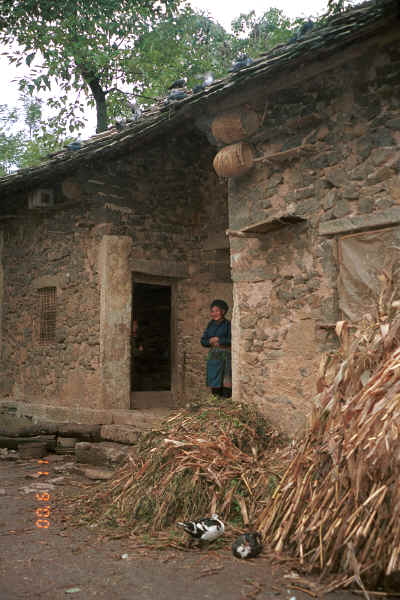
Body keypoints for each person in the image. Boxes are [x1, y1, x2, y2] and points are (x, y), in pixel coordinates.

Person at [200, 299, 232, 398]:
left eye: (217, 311)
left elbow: (233, 339)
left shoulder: (228, 325)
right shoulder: (210, 325)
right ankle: (216, 403)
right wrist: (209, 341)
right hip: (214, 356)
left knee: (226, 381)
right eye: (212, 311)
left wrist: (219, 339)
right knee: (214, 381)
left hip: (226, 356)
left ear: (223, 311)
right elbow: (203, 341)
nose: (214, 314)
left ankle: (226, 402)